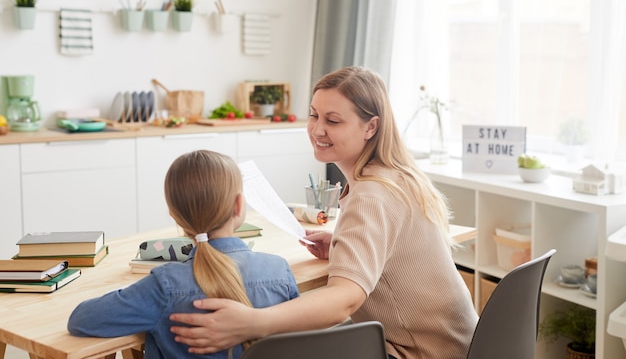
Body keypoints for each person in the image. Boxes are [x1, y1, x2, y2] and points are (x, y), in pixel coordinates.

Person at [169, 67, 478, 359]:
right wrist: (342, 245)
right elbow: (397, 251)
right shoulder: (397, 176)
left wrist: (254, 321)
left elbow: (345, 299)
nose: (317, 129)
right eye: (314, 115)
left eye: (333, 121)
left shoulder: (372, 194)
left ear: (371, 126)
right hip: (458, 344)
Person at [67, 150, 299, 359]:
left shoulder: (164, 286)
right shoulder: (279, 270)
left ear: (174, 215)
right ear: (238, 206)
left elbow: (80, 320)